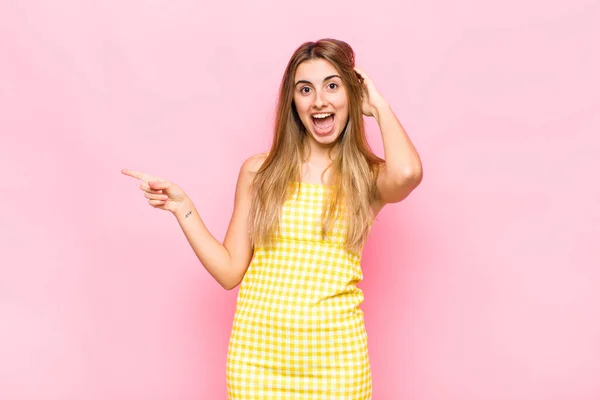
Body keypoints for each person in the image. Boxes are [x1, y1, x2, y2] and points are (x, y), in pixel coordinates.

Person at [122, 38, 422, 399]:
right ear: (294, 104)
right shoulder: (259, 171)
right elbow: (230, 271)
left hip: (336, 365)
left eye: (332, 86)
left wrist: (378, 105)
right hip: (256, 361)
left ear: (352, 94)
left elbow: (407, 173)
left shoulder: (366, 177)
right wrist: (182, 207)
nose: (319, 101)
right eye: (305, 90)